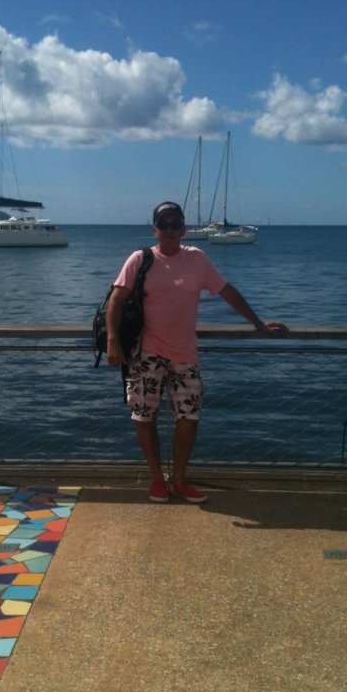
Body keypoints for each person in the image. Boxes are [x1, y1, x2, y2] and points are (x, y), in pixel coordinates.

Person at [106, 200, 288, 504]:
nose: (169, 230)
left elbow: (228, 292)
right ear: (154, 229)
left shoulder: (197, 259)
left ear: (184, 228)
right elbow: (116, 300)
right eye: (163, 224)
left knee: (189, 417)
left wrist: (258, 324)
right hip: (146, 352)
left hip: (185, 355)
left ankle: (178, 480)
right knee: (143, 416)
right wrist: (113, 340)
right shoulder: (140, 259)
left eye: (175, 224)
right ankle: (157, 481)